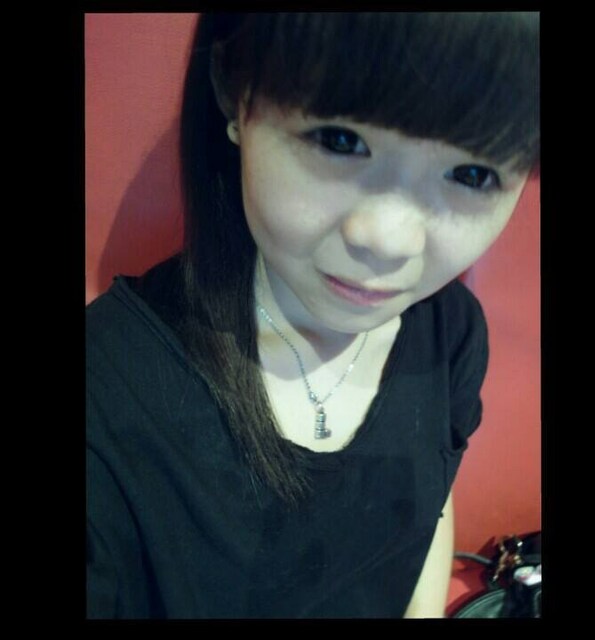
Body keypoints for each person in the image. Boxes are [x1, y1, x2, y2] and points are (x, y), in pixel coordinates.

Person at [86, 12, 540, 619]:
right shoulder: (106, 399)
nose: (389, 241)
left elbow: (429, 505)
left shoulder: (451, 331)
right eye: (339, 140)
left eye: (472, 174)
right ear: (235, 96)